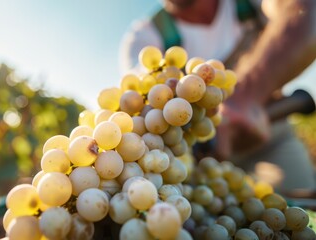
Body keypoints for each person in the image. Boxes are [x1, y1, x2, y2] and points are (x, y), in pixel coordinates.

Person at [119, 0, 316, 192]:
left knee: (300, 205)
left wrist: (244, 96)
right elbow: (145, 104)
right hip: (198, 160)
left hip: (271, 132)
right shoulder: (145, 37)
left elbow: (307, 12)